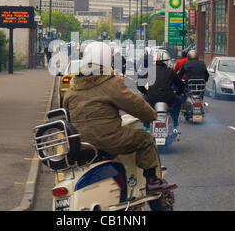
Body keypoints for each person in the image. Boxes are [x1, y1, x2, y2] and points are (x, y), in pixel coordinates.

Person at [63, 42, 177, 194]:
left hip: (80, 143)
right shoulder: (110, 82)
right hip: (108, 140)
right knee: (145, 139)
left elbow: (67, 115)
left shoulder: (72, 88)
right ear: (105, 60)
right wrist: (150, 116)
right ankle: (152, 181)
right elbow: (134, 103)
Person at [137, 50, 184, 132]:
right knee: (179, 100)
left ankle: (147, 127)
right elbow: (181, 85)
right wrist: (178, 92)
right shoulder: (171, 72)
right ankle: (175, 124)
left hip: (152, 98)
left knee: (145, 106)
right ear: (166, 62)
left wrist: (146, 92)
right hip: (168, 98)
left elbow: (139, 84)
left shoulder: (149, 71)